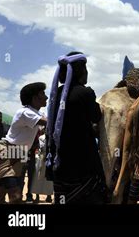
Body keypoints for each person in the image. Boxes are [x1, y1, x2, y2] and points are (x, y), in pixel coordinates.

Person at [46, 51, 107, 204]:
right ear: (80, 71)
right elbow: (96, 117)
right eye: (85, 70)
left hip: (60, 162)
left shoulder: (56, 94)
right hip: (83, 162)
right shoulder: (85, 93)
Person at [0, 83, 48, 204]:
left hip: (19, 155)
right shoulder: (25, 112)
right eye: (43, 94)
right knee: (16, 196)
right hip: (8, 153)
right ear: (34, 98)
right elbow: (49, 122)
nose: (46, 97)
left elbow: (43, 128)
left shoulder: (36, 114)